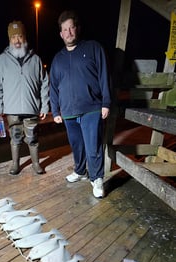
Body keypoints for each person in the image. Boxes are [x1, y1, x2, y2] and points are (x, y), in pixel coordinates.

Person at [49, 10, 111, 198]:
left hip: (91, 108)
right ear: (61, 34)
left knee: (93, 145)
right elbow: (53, 86)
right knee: (77, 145)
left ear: (77, 29)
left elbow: (104, 76)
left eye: (71, 28)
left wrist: (106, 102)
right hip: (68, 111)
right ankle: (80, 171)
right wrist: (55, 110)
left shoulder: (93, 48)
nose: (68, 32)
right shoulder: (57, 59)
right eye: (64, 30)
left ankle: (97, 178)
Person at [0, 20, 49, 175]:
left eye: (20, 36)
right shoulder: (0, 61)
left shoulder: (36, 59)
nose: (17, 40)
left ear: (25, 38)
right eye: (13, 37)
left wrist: (44, 106)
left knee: (33, 138)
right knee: (15, 138)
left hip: (31, 108)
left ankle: (36, 164)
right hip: (11, 110)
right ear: (9, 39)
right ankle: (15, 164)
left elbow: (44, 83)